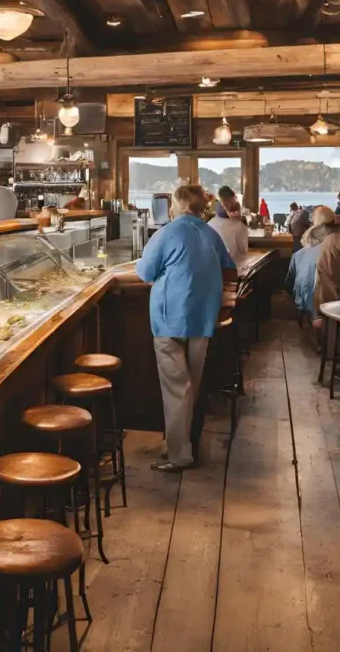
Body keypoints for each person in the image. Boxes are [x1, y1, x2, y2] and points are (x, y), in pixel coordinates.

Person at [136, 185, 235, 474]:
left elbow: (144, 273)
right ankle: (188, 444)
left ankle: (179, 455)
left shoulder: (167, 233)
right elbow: (229, 268)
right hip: (203, 319)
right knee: (191, 385)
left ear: (178, 205)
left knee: (178, 389)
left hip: (170, 320)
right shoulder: (211, 233)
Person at [208, 185, 249, 261]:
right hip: (234, 267)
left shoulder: (209, 224)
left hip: (213, 267)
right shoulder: (240, 226)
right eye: (226, 205)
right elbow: (244, 251)